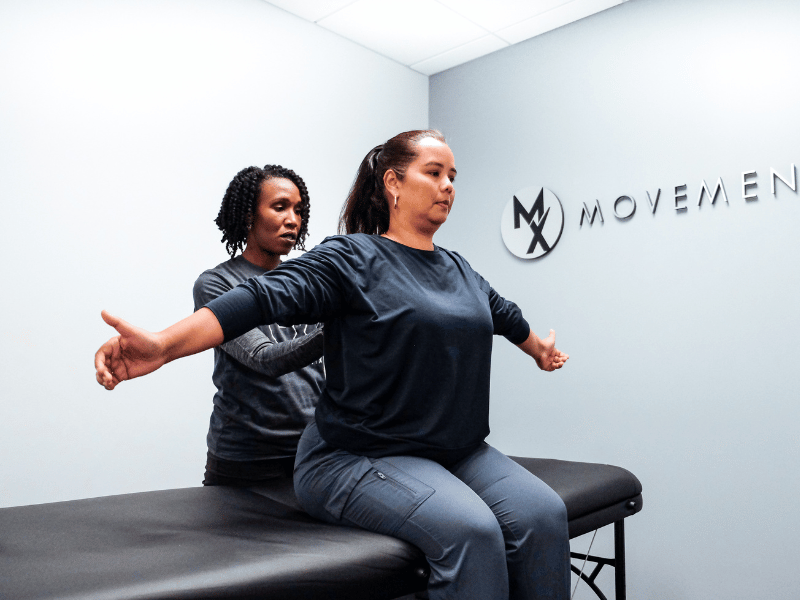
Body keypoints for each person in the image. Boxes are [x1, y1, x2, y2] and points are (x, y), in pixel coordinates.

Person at [95, 130, 570, 600]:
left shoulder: (459, 268)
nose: (448, 185)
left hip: (454, 447)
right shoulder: (351, 257)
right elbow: (259, 298)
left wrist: (539, 351)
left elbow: (503, 315)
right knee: (473, 532)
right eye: (434, 172)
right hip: (359, 451)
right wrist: (163, 345)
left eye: (452, 176)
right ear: (393, 183)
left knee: (545, 514)